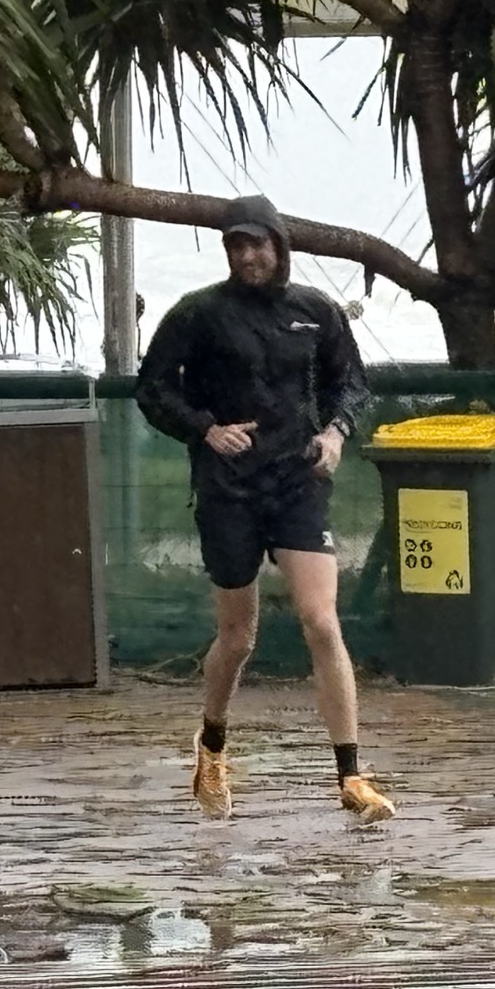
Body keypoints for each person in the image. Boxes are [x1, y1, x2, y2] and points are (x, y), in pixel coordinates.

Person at [134, 195, 390, 825]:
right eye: (236, 246)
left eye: (259, 244)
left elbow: (351, 384)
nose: (249, 255)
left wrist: (336, 432)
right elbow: (153, 389)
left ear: (279, 246)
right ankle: (212, 746)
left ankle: (352, 776)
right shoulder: (198, 313)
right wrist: (205, 429)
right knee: (238, 635)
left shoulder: (316, 312)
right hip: (228, 487)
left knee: (321, 621)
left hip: (298, 481)